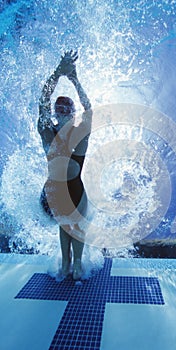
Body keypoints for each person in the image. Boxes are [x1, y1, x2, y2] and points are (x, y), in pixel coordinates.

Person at [38, 50, 92, 280]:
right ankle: (67, 262)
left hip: (73, 190)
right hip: (53, 193)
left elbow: (89, 110)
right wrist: (59, 73)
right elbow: (42, 103)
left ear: (72, 114)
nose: (60, 111)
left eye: (65, 109)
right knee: (68, 223)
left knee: (74, 224)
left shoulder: (80, 135)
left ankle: (74, 264)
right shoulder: (47, 132)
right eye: (57, 108)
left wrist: (74, 78)